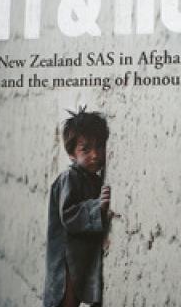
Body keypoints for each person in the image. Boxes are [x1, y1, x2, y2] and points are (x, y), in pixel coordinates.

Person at [43, 107, 111, 307]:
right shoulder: (69, 178)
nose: (95, 154)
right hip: (67, 259)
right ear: (72, 154)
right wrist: (96, 207)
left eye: (99, 146)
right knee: (67, 300)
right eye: (86, 149)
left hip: (80, 258)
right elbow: (69, 214)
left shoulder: (92, 179)